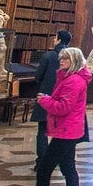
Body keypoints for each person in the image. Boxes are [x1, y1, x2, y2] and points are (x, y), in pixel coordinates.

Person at [2, 47, 91, 186]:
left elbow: (64, 107)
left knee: (44, 171)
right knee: (68, 169)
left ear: (73, 60)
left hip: (66, 131)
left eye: (65, 59)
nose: (61, 61)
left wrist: (45, 101)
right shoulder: (71, 78)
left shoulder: (73, 80)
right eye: (61, 58)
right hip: (67, 130)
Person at [31, 30, 70, 168]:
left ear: (59, 40)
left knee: (42, 130)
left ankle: (42, 162)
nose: (54, 40)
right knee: (62, 131)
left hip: (46, 96)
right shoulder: (73, 58)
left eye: (55, 38)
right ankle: (60, 160)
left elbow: (38, 76)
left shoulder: (49, 56)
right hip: (64, 99)